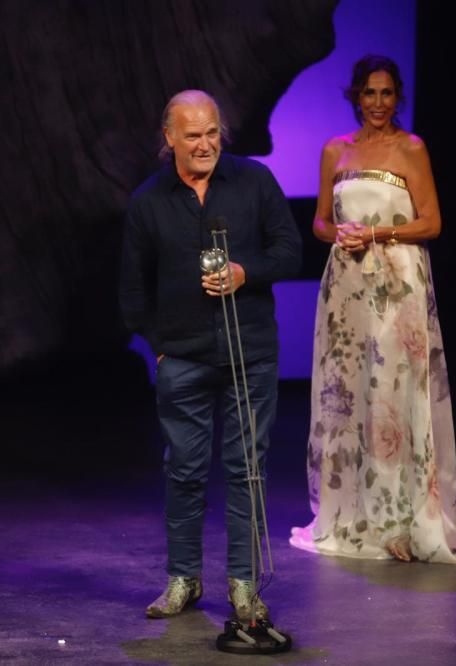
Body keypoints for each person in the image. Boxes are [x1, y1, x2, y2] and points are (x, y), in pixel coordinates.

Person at [289, 55, 456, 564]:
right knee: (347, 394)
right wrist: (343, 234)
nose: (377, 103)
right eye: (368, 94)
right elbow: (320, 223)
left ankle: (401, 521)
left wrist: (379, 233)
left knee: (394, 393)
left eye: (386, 94)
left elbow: (432, 223)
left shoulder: (411, 149)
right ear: (355, 96)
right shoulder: (336, 149)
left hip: (399, 284)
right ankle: (351, 516)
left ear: (398, 97)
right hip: (347, 285)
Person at [119, 90, 302, 619]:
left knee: (247, 469)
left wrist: (246, 272)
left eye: (212, 133)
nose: (204, 144)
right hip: (183, 359)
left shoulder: (254, 182)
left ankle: (243, 585)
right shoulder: (148, 202)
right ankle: (183, 579)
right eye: (192, 135)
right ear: (169, 138)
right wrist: (159, 349)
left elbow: (289, 250)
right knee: (184, 471)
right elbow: (133, 292)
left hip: (251, 353)